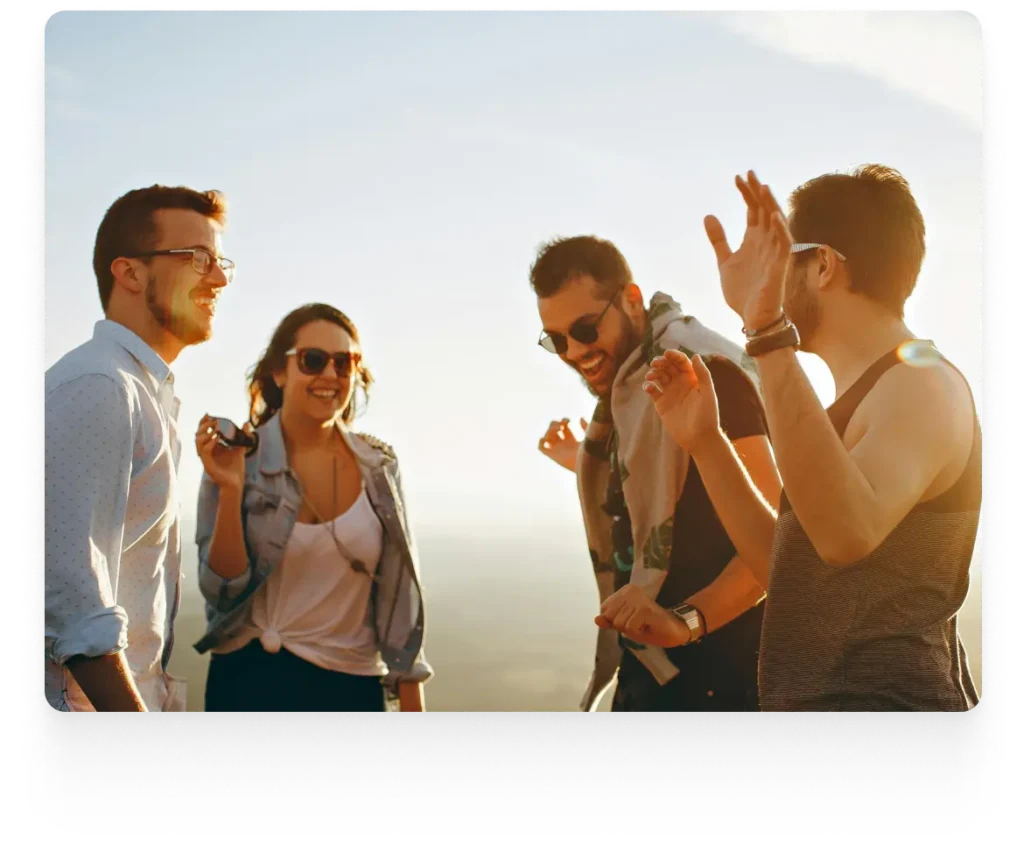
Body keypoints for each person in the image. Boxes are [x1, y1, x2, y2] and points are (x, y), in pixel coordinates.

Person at [644, 166, 981, 711]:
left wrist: (765, 331)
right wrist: (706, 442)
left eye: (782, 260)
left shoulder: (923, 383)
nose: (768, 281)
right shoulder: (859, 401)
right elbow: (788, 567)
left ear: (822, 264)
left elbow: (846, 535)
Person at [532, 236, 781, 713]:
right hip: (652, 674)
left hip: (721, 680)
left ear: (630, 299)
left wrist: (685, 622)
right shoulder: (630, 391)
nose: (572, 351)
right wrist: (586, 460)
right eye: (556, 339)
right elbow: (674, 494)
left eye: (584, 329)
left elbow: (775, 545)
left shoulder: (704, 374)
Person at [43, 184, 233, 712]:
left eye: (220, 262)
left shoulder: (141, 391)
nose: (217, 278)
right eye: (198, 259)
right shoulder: (100, 387)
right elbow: (74, 608)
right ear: (129, 273)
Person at [192, 303, 432, 713]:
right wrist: (230, 489)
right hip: (246, 685)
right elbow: (222, 590)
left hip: (351, 691)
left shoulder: (379, 467)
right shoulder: (237, 458)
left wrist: (412, 703)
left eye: (345, 363)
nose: (330, 376)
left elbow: (400, 600)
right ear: (279, 371)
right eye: (313, 360)